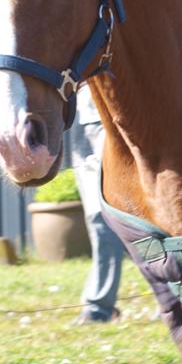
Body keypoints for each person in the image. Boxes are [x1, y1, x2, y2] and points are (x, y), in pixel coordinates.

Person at [69, 85, 124, 323]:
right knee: (97, 217)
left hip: (111, 118)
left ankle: (170, 299)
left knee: (138, 221)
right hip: (81, 120)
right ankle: (99, 305)